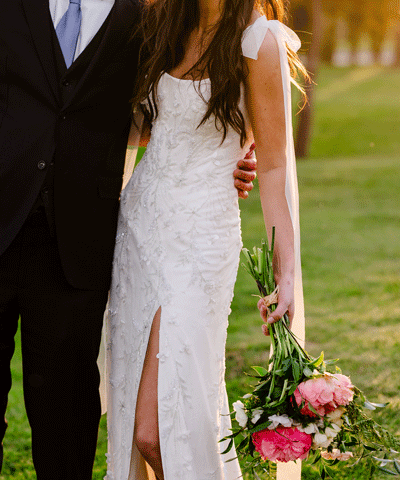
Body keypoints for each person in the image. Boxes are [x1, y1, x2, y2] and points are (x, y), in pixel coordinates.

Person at [0, 1, 255, 478]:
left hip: (78, 246)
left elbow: (175, 103)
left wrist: (240, 147)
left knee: (66, 419)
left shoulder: (151, 16)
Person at [105, 0, 308, 479]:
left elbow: (277, 163)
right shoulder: (160, 21)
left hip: (200, 239)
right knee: (140, 422)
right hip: (139, 230)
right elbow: (142, 129)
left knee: (157, 428)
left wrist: (287, 270)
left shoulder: (259, 41)